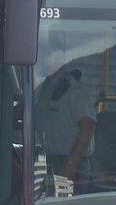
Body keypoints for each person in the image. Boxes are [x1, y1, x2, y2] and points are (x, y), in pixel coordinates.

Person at [35, 60, 97, 192]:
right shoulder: (43, 87)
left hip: (73, 164)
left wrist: (71, 163)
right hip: (48, 159)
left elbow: (87, 127)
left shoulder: (75, 89)